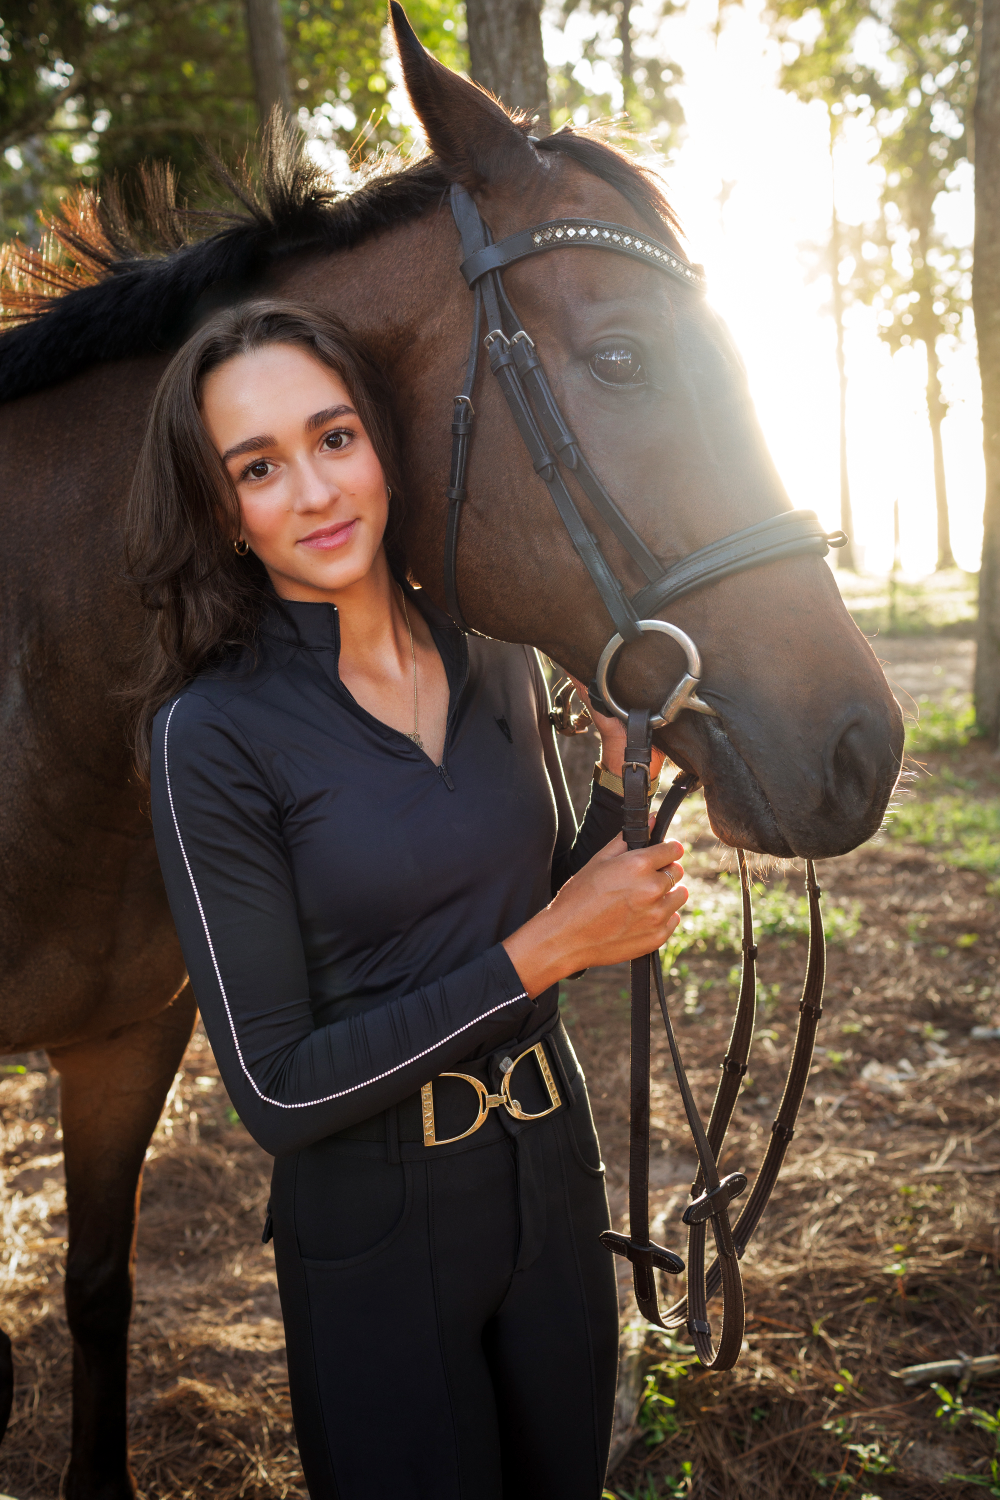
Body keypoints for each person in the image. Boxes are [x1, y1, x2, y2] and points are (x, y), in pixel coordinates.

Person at [128, 299, 688, 1500]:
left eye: (334, 439)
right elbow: (277, 1086)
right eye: (259, 467)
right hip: (372, 1227)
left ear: (382, 444)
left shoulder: (492, 649)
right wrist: (542, 953)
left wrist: (614, 791)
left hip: (552, 1167)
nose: (317, 492)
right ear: (220, 510)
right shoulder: (210, 734)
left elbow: (526, 904)